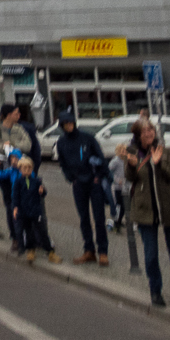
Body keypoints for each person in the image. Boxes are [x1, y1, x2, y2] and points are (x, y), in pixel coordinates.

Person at [124, 119, 170, 307]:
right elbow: (130, 178)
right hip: (145, 210)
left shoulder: (165, 151)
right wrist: (132, 165)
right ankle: (155, 291)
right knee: (151, 255)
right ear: (138, 135)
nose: (149, 133)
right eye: (144, 131)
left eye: (151, 130)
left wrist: (158, 164)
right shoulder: (133, 152)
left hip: (169, 208)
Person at [54, 108, 109, 266]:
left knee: (99, 218)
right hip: (78, 183)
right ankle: (89, 250)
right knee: (83, 218)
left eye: (70, 123)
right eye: (65, 124)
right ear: (62, 125)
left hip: (94, 182)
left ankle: (103, 252)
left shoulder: (87, 138)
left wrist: (98, 176)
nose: (68, 126)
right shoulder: (61, 142)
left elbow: (101, 158)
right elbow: (62, 163)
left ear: (74, 123)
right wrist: (71, 178)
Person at [11, 157, 60, 265]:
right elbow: (16, 197)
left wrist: (42, 191)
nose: (27, 170)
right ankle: (30, 250)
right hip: (24, 211)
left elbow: (43, 193)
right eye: (25, 168)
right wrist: (15, 208)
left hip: (36, 211)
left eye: (29, 168)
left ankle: (50, 252)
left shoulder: (36, 181)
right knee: (29, 232)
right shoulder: (18, 182)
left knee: (42, 232)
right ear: (20, 169)